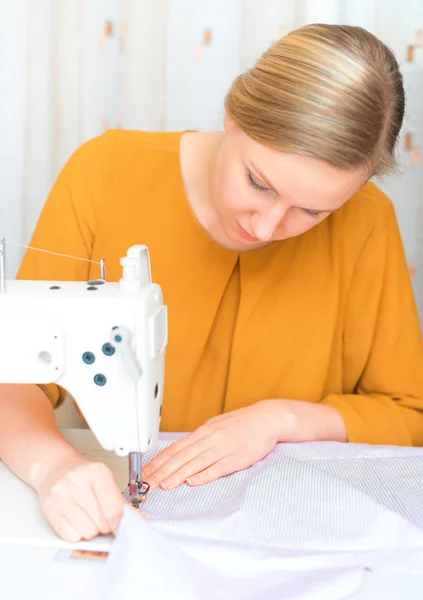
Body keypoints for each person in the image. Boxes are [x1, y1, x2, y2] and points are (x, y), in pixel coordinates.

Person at [1, 23, 422, 544]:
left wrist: (280, 420)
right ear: (231, 114)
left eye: (312, 211)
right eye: (258, 183)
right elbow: (11, 376)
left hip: (288, 529)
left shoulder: (366, 221)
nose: (266, 229)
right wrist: (52, 468)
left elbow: (409, 412)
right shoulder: (103, 174)